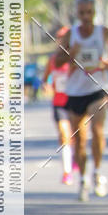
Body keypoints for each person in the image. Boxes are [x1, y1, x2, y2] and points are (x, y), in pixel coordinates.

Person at [55, 0, 108, 201]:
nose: (85, 17)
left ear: (94, 12)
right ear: (77, 13)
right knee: (80, 140)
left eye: (89, 12)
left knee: (98, 130)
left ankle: (98, 173)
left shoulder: (104, 32)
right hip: (75, 92)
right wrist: (70, 54)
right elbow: (57, 61)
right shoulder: (71, 35)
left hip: (98, 89)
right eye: (82, 13)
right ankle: (83, 179)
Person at [43, 27, 75, 183]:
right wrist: (46, 86)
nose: (61, 40)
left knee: (76, 136)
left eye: (64, 37)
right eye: (59, 38)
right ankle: (67, 171)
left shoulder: (75, 57)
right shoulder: (53, 60)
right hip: (59, 103)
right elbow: (45, 79)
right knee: (64, 135)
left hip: (75, 101)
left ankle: (75, 158)